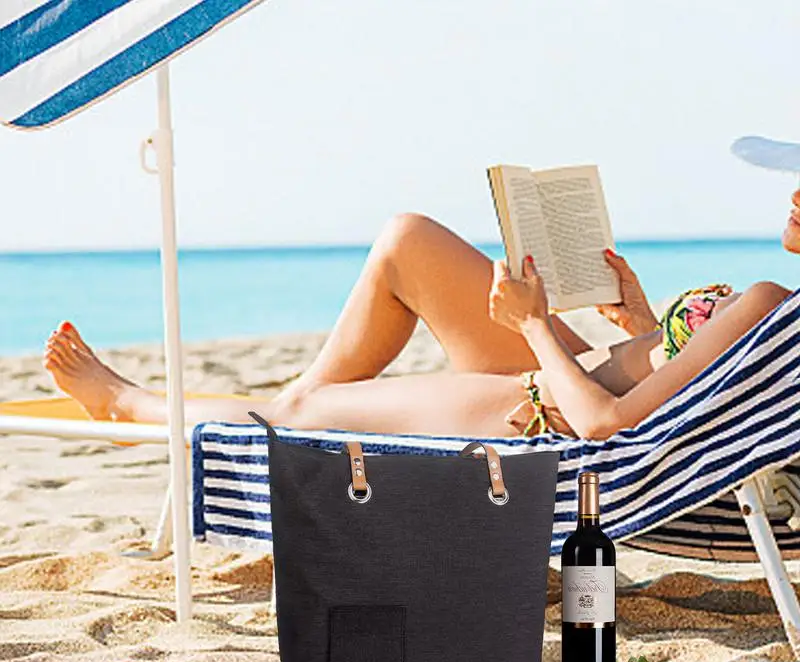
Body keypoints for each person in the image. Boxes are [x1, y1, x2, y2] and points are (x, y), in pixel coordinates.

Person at [43, 190, 799, 440]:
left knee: (308, 408)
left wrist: (534, 323)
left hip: (539, 409)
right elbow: (685, 392)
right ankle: (291, 411)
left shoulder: (772, 301)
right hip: (575, 377)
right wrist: (638, 319)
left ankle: (129, 402)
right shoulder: (780, 308)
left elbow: (609, 425)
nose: (794, 193)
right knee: (407, 241)